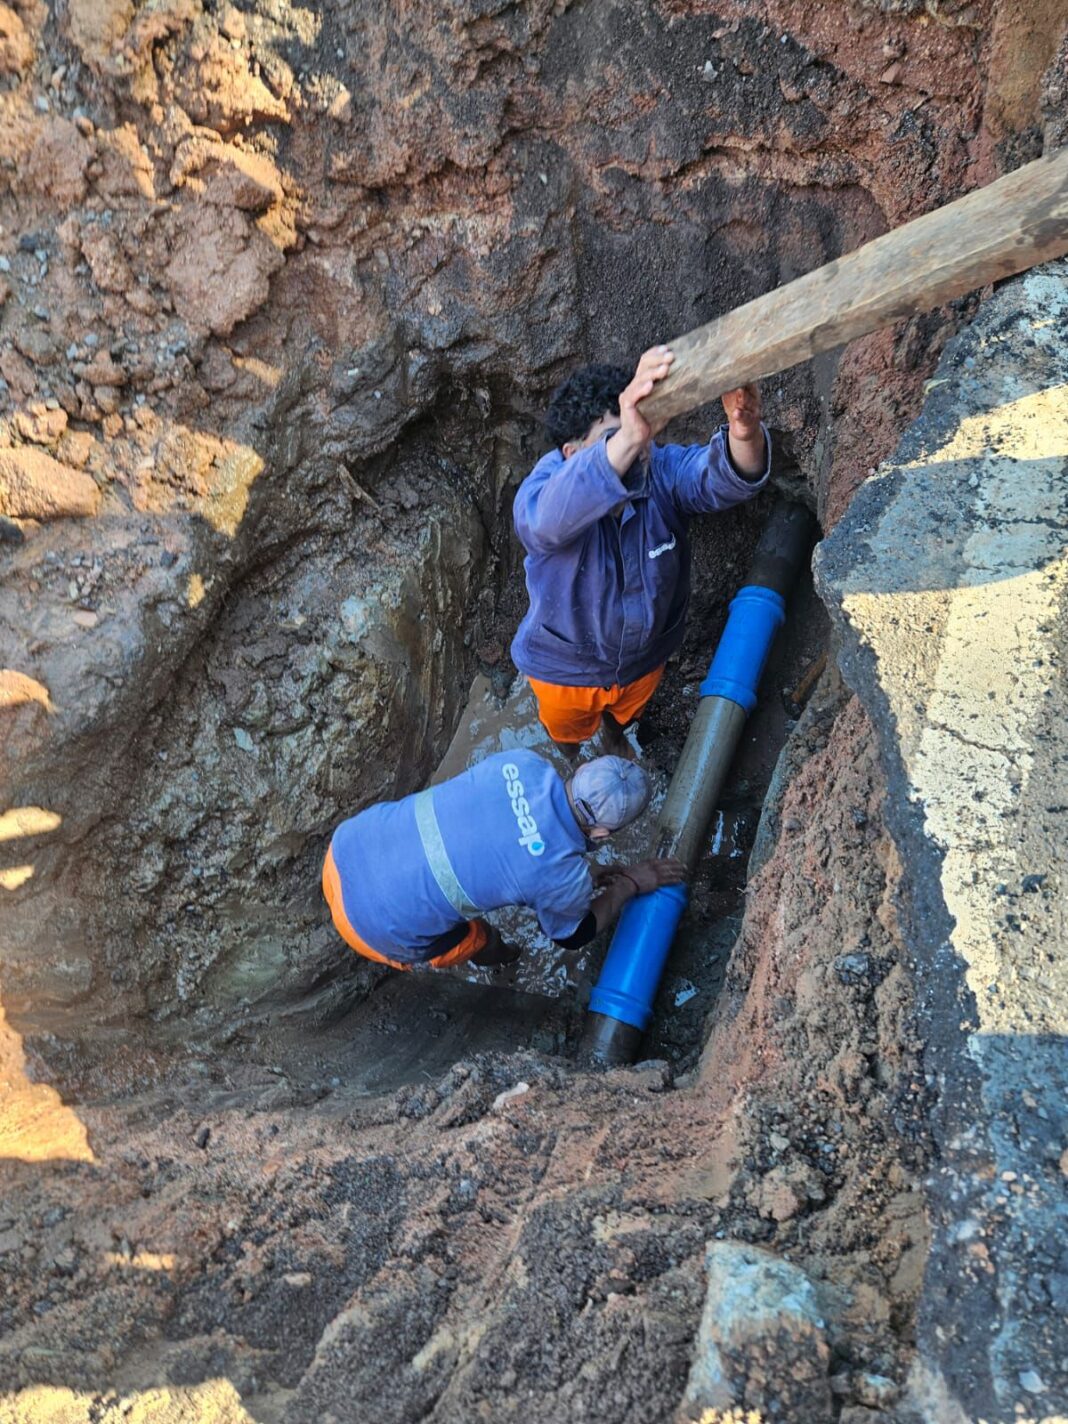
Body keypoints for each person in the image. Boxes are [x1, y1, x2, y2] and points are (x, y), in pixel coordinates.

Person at [511, 347, 770, 757]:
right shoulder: (545, 489)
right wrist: (629, 436)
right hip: (563, 671)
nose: (639, 445)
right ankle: (571, 754)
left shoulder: (660, 471)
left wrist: (744, 433)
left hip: (644, 661)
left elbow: (721, 480)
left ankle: (615, 735)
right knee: (565, 731)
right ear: (573, 454)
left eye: (642, 430)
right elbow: (544, 521)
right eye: (616, 436)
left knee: (625, 717)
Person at [322, 750, 685, 971]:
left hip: (345, 850)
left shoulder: (523, 762)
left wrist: (577, 876)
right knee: (479, 936)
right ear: (604, 834)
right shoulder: (563, 877)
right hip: (372, 931)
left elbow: (510, 837)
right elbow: (573, 935)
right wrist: (628, 884)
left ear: (582, 768)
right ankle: (506, 959)